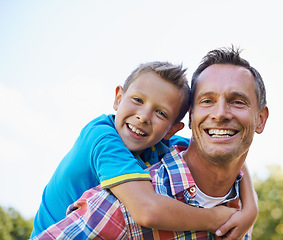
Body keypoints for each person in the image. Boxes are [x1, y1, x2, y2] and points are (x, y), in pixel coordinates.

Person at [32, 46, 268, 239]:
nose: (144, 117)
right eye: (137, 100)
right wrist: (219, 218)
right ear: (118, 97)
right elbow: (147, 210)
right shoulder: (102, 137)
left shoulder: (159, 144)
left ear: (172, 129)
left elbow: (220, 147)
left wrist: (250, 210)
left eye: (161, 113)